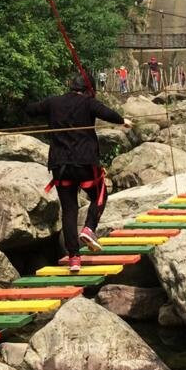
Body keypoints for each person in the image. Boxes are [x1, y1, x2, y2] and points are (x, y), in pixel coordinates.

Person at [26, 74, 133, 272]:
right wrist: (122, 120)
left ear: (70, 85)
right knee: (100, 194)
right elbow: (107, 113)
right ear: (88, 90)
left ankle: (74, 258)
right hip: (84, 163)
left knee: (69, 210)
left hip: (60, 165)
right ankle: (89, 228)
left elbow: (31, 109)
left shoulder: (53, 102)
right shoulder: (88, 102)